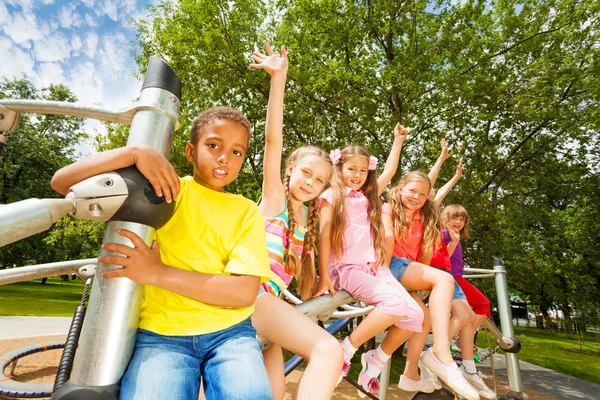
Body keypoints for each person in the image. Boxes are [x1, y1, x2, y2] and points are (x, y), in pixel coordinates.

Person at [51, 106, 274, 400]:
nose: (224, 157)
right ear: (190, 151)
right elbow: (62, 181)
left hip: (230, 333)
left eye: (237, 152)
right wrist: (135, 153)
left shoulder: (246, 210)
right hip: (162, 336)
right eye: (213, 145)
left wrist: (157, 273)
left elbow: (244, 292)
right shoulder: (163, 191)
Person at [248, 41, 342, 400]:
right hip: (250, 298)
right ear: (291, 169)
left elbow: (295, 266)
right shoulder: (275, 199)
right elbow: (273, 141)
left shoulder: (306, 217)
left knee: (273, 392)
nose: (310, 183)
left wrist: (322, 280)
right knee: (327, 350)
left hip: (270, 304)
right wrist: (278, 79)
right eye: (306, 173)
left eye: (319, 181)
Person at [315, 126, 424, 396]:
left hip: (374, 266)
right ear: (339, 168)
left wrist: (397, 142)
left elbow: (388, 172)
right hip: (346, 267)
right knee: (396, 303)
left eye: (363, 171)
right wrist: (324, 276)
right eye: (351, 169)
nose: (357, 175)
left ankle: (374, 360)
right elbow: (324, 235)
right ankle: (347, 348)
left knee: (416, 316)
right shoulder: (331, 196)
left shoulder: (366, 198)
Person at [381, 170, 479, 400]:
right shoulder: (388, 209)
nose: (417, 196)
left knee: (423, 318)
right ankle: (439, 351)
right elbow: (386, 239)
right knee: (444, 279)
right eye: (412, 191)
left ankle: (409, 373)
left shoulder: (422, 218)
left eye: (423, 194)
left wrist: (421, 283)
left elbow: (424, 253)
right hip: (390, 265)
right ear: (399, 189)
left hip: (407, 271)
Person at [442, 204, 496, 399]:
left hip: (457, 278)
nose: (458, 222)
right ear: (445, 218)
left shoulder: (454, 236)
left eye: (462, 219)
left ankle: (465, 357)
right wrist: (454, 242)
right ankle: (451, 343)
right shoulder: (445, 235)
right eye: (454, 218)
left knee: (471, 313)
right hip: (452, 279)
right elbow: (443, 259)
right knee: (482, 304)